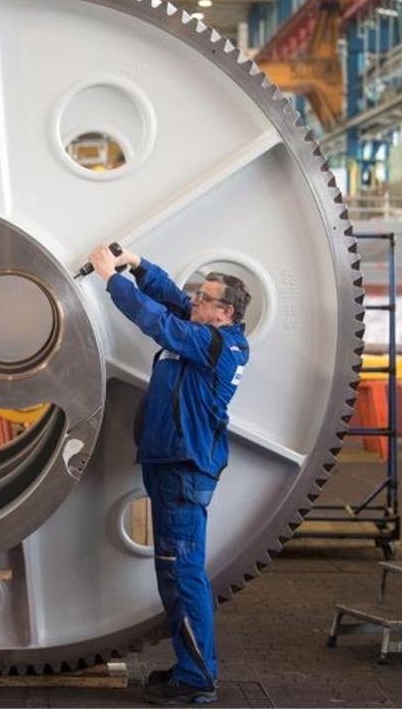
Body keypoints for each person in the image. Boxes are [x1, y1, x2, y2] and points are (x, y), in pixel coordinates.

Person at [86, 245, 251, 706]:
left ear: (226, 312)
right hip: (171, 464)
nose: (193, 301)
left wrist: (110, 279)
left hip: (183, 470)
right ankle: (189, 667)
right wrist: (137, 265)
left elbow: (155, 320)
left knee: (183, 575)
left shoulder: (213, 344)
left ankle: (198, 677)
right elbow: (171, 300)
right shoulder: (206, 328)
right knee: (174, 573)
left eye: (204, 298)